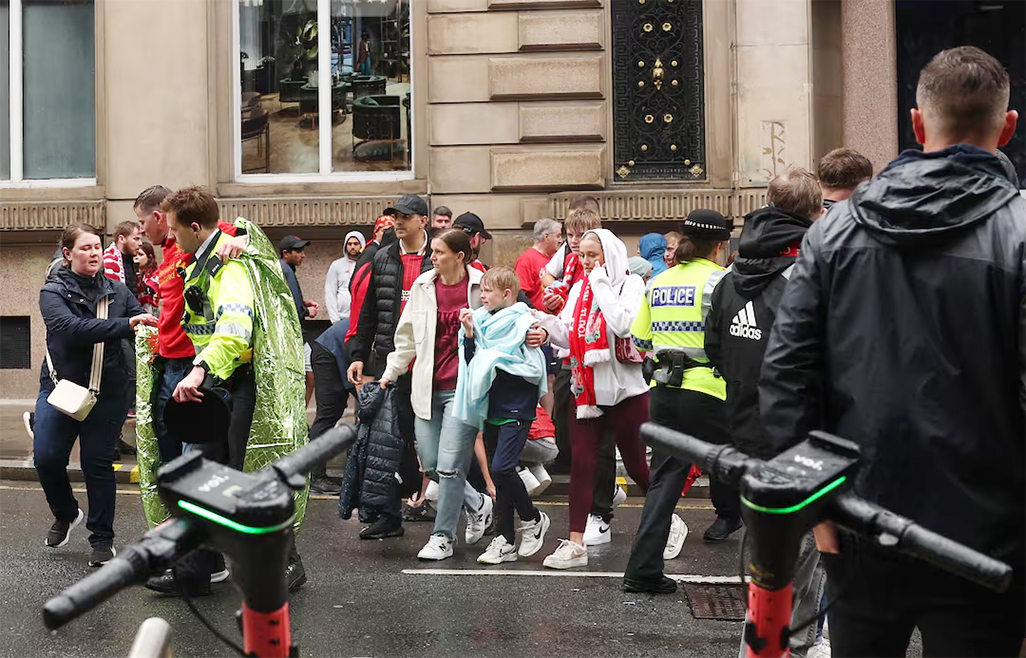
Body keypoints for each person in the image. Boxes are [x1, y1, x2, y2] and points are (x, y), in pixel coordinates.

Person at [761, 46, 1024, 656]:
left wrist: (819, 511)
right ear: (1007, 127)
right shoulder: (1019, 233)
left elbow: (786, 379)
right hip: (987, 541)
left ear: (915, 123)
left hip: (859, 519)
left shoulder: (831, 232)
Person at [705, 168, 828, 656]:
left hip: (745, 424)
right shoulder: (809, 270)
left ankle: (781, 641)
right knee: (797, 550)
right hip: (796, 433)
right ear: (815, 211)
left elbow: (714, 347)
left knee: (772, 548)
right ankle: (779, 644)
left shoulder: (731, 275)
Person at [163, 186, 309, 594]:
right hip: (217, 379)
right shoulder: (206, 259)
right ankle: (199, 570)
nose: (172, 238)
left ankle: (283, 564)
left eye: (175, 230)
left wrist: (199, 369)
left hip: (234, 380)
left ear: (194, 228)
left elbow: (234, 326)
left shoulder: (227, 266)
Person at [622, 209, 733, 594]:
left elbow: (640, 341)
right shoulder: (720, 282)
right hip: (709, 391)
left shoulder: (659, 280)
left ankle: (642, 569)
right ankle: (772, 574)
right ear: (720, 246)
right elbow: (730, 341)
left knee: (665, 479)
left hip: (665, 392)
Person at [34, 223, 157, 567]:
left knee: (97, 464)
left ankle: (102, 539)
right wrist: (126, 326)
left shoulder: (118, 291)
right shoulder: (53, 292)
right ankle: (66, 512)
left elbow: (141, 324)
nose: (94, 253)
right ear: (68, 253)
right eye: (85, 248)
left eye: (97, 247)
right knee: (46, 458)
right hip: (60, 389)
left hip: (108, 391)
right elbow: (70, 330)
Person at [533, 229, 651, 570]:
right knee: (582, 466)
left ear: (609, 255)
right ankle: (575, 543)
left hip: (625, 392)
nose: (585, 262)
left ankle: (669, 521)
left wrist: (599, 282)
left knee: (637, 468)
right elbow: (569, 336)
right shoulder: (580, 289)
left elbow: (622, 324)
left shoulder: (630, 285)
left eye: (592, 255)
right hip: (587, 391)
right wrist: (542, 321)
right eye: (581, 256)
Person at [378, 229, 494, 560]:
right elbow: (407, 337)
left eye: (440, 252)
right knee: (430, 464)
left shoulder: (480, 285)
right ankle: (477, 502)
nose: (432, 256)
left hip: (464, 390)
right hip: (427, 388)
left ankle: (442, 537)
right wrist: (390, 372)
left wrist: (536, 331)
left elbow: (510, 315)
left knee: (451, 467)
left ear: (460, 256)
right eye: (433, 251)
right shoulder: (423, 286)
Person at [346, 193, 434, 539]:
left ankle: (470, 506)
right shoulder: (382, 257)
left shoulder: (437, 258)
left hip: (427, 362)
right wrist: (357, 354)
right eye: (395, 216)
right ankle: (390, 515)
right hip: (387, 360)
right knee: (386, 442)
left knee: (429, 441)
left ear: (422, 221)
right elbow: (368, 312)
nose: (398, 222)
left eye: (406, 216)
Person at [452, 267, 551, 565]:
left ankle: (533, 518)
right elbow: (470, 359)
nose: (481, 296)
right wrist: (469, 333)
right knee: (498, 472)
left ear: (506, 293)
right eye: (481, 290)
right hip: (491, 404)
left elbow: (529, 357)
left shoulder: (523, 319)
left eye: (487, 291)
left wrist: (541, 334)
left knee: (503, 468)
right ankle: (505, 539)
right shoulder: (480, 321)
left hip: (517, 404)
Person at [102, 219, 145, 452]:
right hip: (115, 328)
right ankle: (109, 439)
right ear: (122, 239)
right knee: (128, 378)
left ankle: (114, 437)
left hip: (129, 327)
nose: (140, 243)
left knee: (128, 381)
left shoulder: (129, 262)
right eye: (136, 238)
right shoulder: (109, 261)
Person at [307, 319, 353, 496]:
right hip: (328, 350)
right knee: (327, 414)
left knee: (336, 409)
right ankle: (316, 476)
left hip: (338, 349)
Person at [279, 235, 319, 405]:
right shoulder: (284, 270)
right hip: (292, 336)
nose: (302, 255)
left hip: (293, 335)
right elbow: (289, 308)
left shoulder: (285, 269)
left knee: (308, 375)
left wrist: (303, 304)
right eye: (298, 251)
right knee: (308, 375)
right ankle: (299, 416)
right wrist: (306, 311)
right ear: (285, 253)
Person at [514, 218, 562, 312]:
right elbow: (519, 295)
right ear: (547, 236)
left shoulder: (556, 258)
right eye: (558, 236)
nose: (561, 241)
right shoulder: (527, 260)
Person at [325, 231, 365, 325]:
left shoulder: (367, 264)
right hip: (342, 318)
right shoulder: (336, 265)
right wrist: (335, 320)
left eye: (356, 244)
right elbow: (330, 293)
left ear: (362, 245)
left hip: (362, 319)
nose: (352, 247)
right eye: (349, 244)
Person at [134, 241, 160, 315]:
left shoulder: (156, 274)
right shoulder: (134, 271)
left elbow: (150, 289)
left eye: (140, 254)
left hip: (151, 310)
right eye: (135, 254)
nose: (136, 257)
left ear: (149, 257)